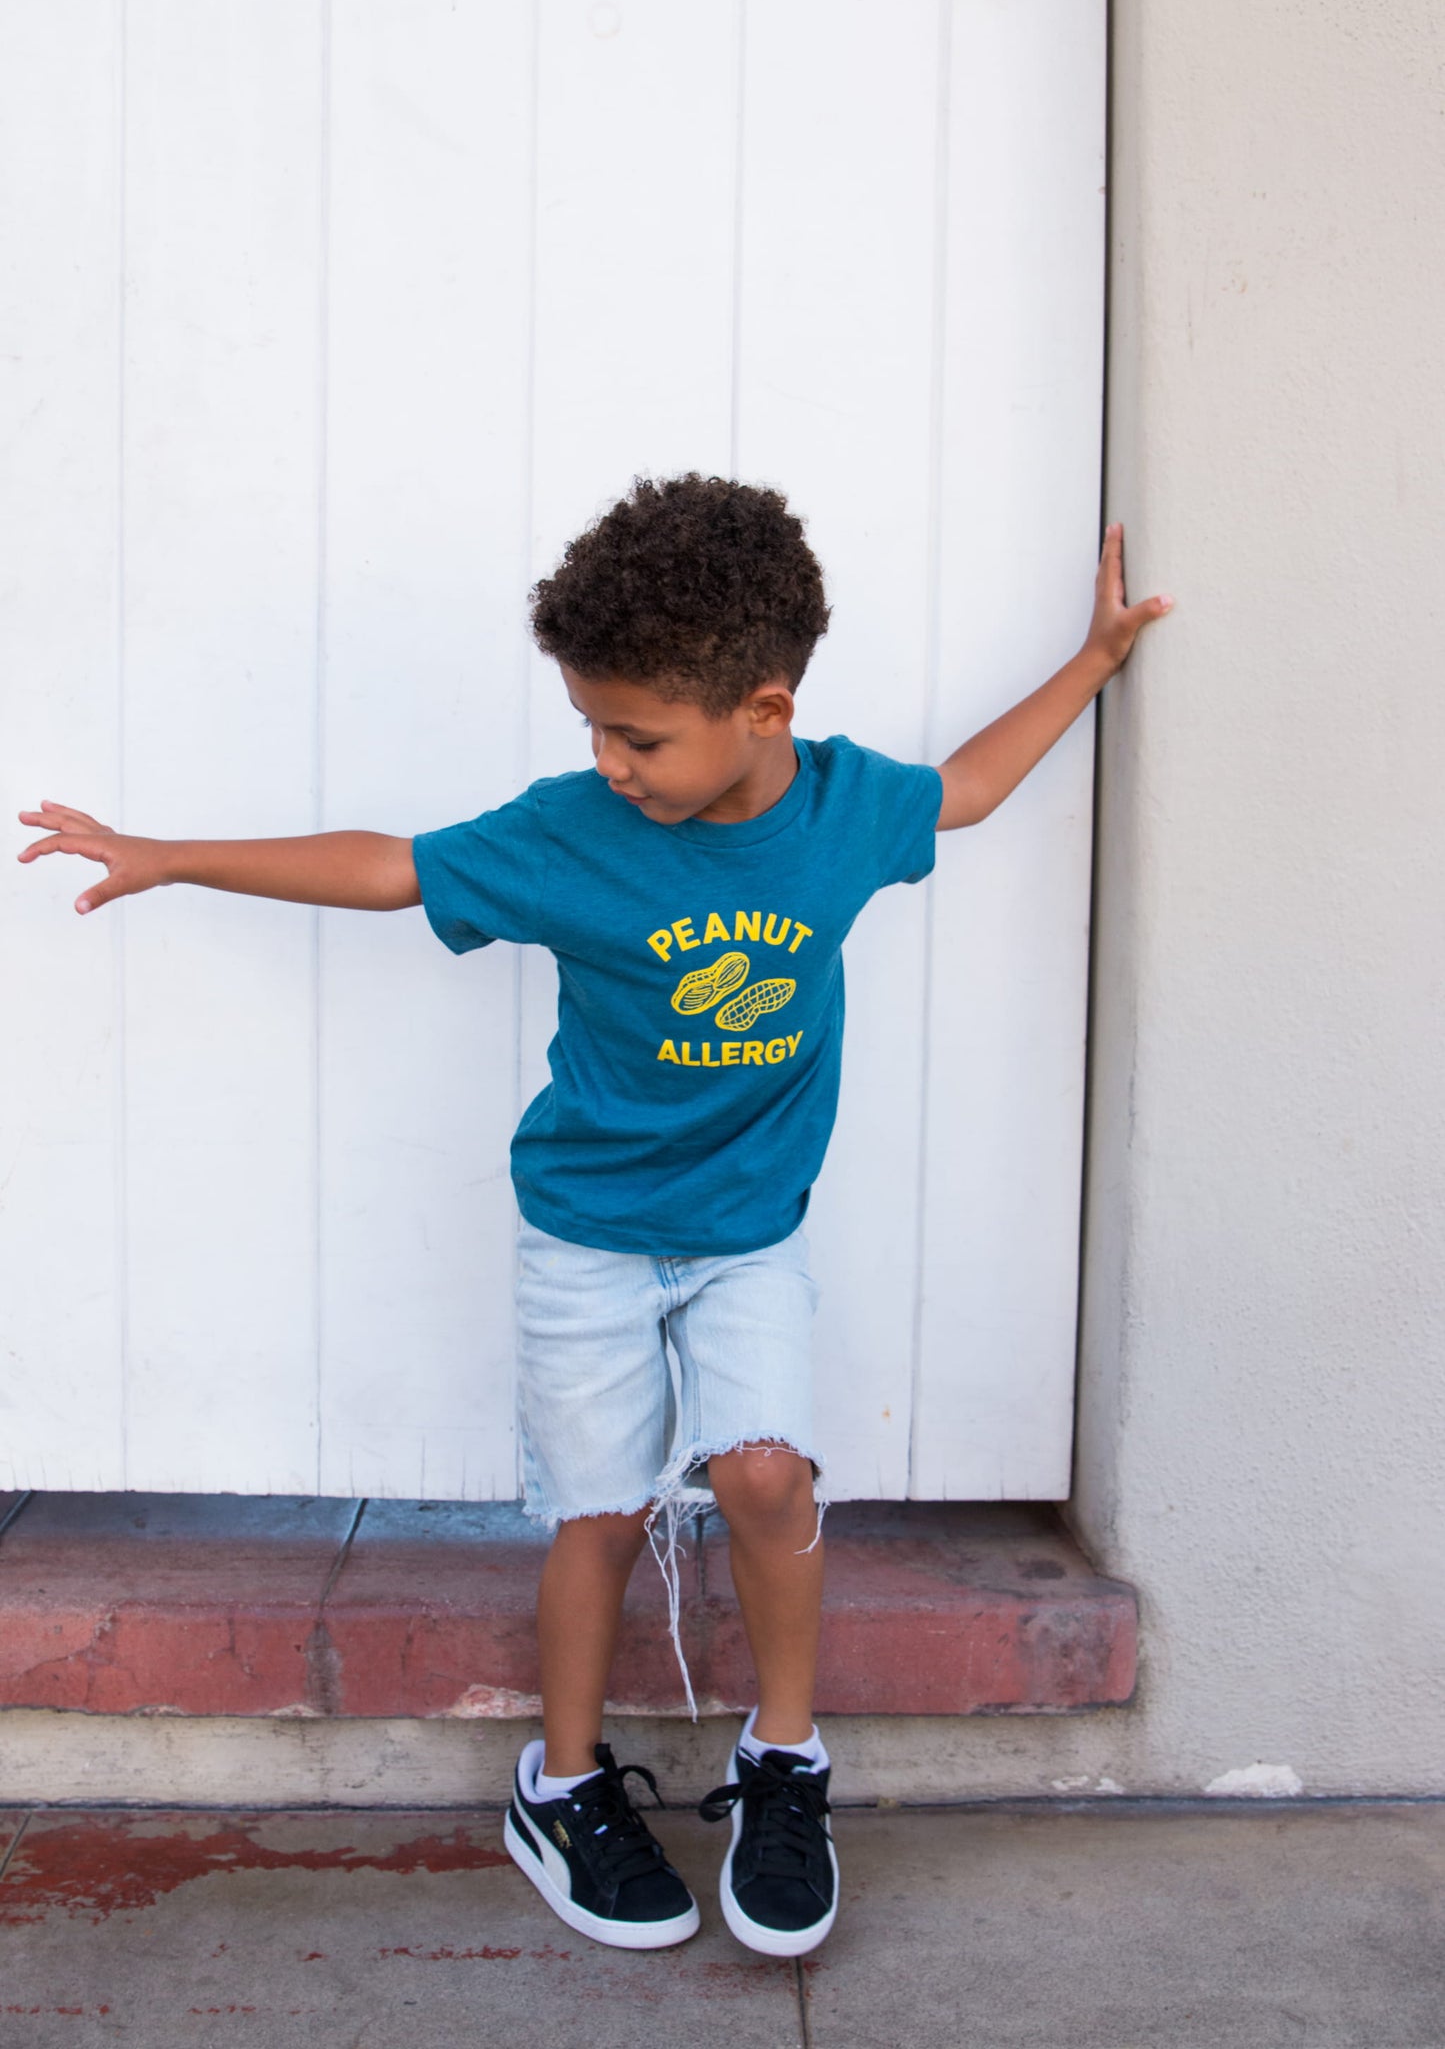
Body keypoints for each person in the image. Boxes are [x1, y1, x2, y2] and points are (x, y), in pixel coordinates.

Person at [17, 474, 1171, 1957]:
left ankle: (783, 1760)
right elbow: (393, 864)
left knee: (764, 1477)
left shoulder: (841, 811)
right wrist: (177, 854)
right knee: (601, 1515)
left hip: (748, 1233)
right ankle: (559, 1786)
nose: (608, 760)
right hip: (586, 1234)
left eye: (636, 734)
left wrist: (1088, 662)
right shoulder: (573, 832)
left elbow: (966, 785)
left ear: (763, 710)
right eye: (592, 729)